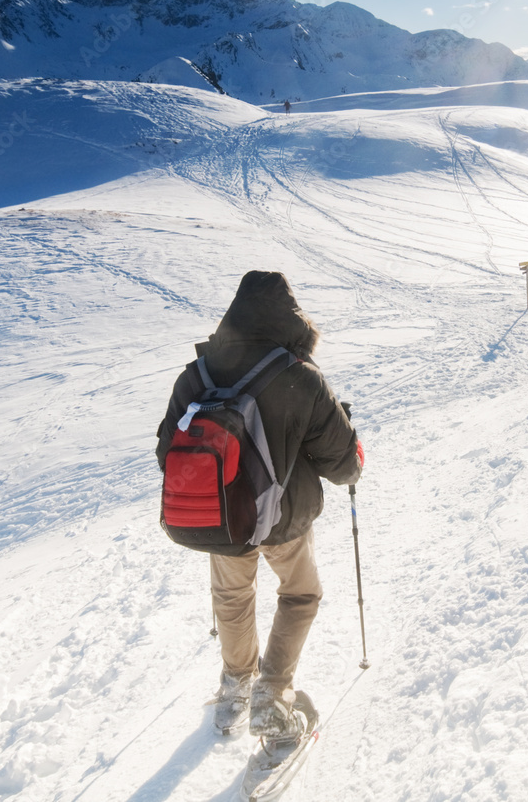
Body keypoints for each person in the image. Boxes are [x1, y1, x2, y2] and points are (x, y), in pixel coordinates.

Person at [155, 271, 363, 740]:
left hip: (223, 519)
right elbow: (343, 465)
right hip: (285, 520)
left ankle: (235, 686)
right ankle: (272, 694)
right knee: (300, 594)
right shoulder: (302, 376)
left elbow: (166, 453)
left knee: (231, 596)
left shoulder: (197, 375)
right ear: (292, 321)